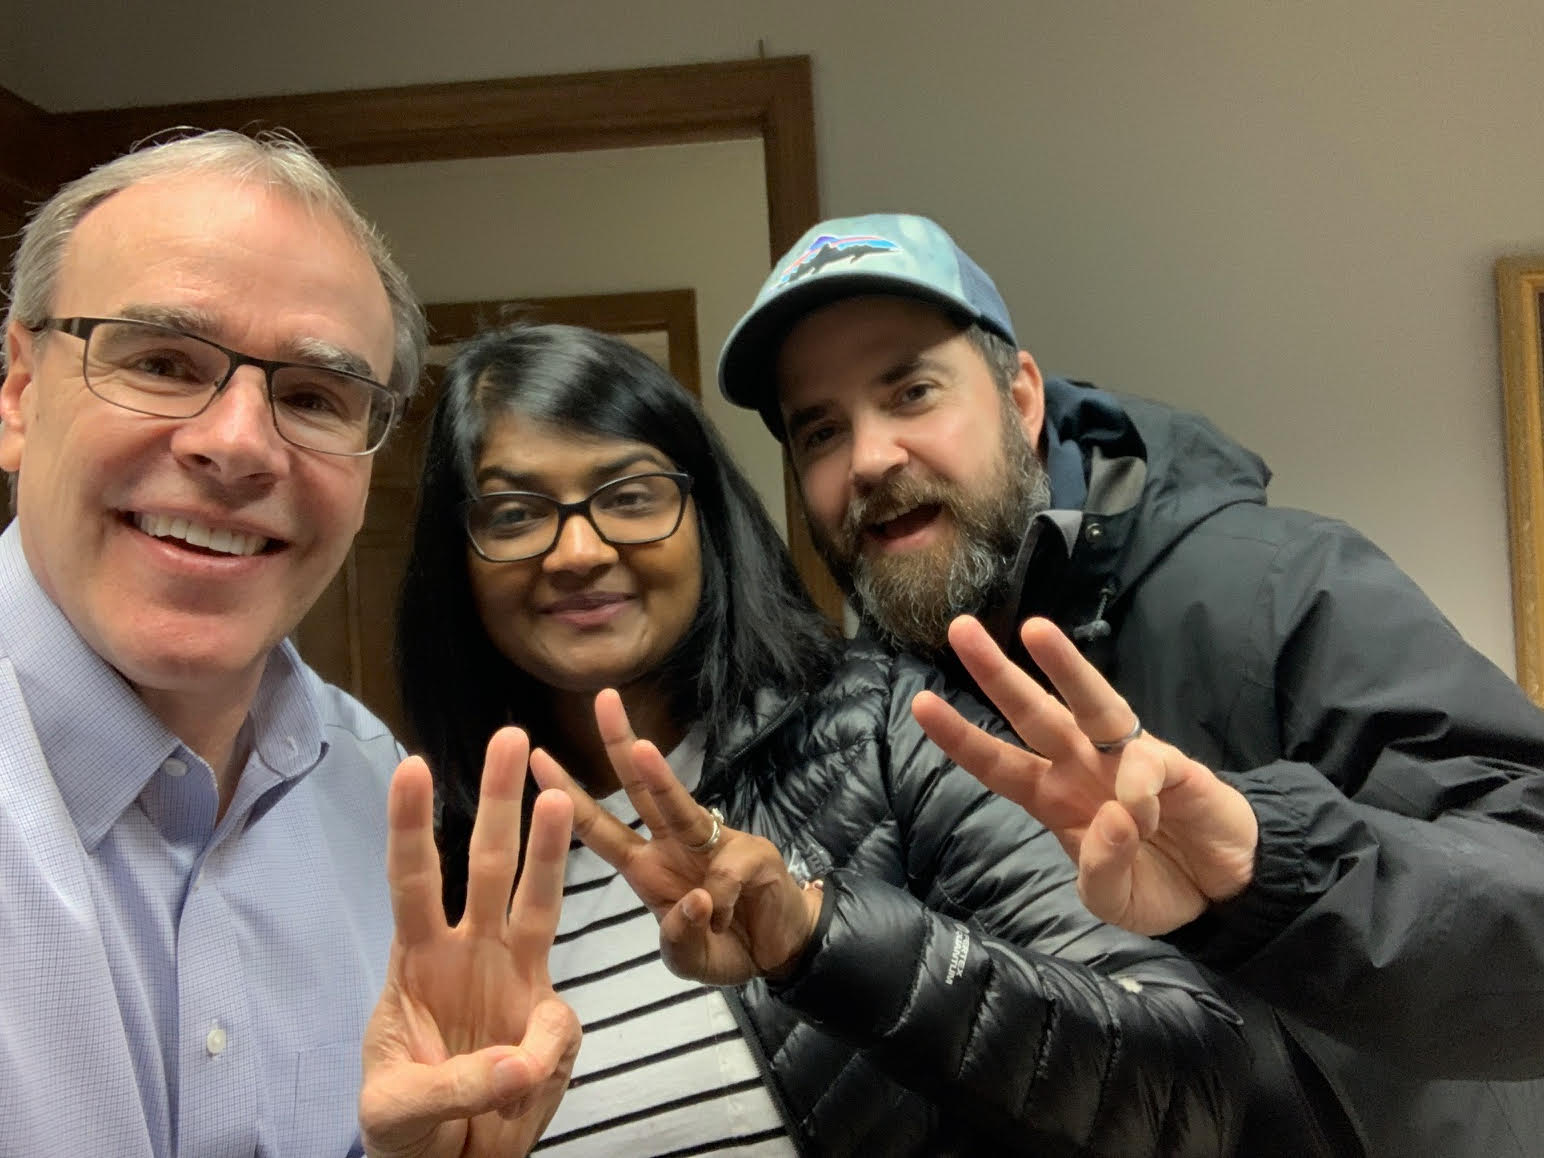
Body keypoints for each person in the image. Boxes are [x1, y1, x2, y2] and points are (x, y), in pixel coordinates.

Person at [716, 212, 1544, 1156]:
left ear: (1020, 396)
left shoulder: (1273, 588)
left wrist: (1269, 870)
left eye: (911, 390)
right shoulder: (861, 719)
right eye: (820, 430)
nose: (868, 459)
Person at [394, 320, 1250, 1158]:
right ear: (454, 555)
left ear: (707, 517)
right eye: (512, 514)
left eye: (629, 496)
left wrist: (817, 936)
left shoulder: (879, 732)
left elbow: (1190, 1089)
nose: (577, 551)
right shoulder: (435, 872)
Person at [0, 129, 580, 1157]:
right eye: (162, 361)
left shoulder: (371, 786)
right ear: (18, 389)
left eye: (314, 397)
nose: (234, 445)